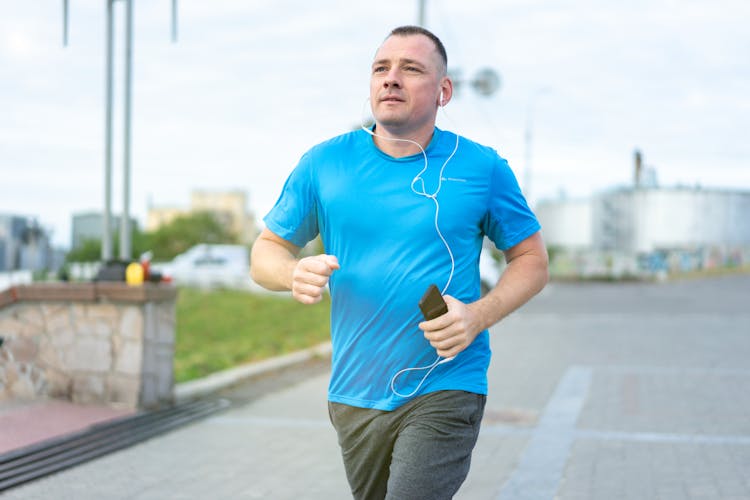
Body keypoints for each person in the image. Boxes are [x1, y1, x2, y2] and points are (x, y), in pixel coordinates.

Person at [251, 25, 548, 500]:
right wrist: (291, 272)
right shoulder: (324, 163)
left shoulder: (482, 167)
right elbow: (265, 250)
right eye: (380, 69)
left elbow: (532, 259)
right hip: (353, 394)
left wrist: (477, 317)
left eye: (411, 69)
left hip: (447, 383)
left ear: (443, 90)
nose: (391, 79)